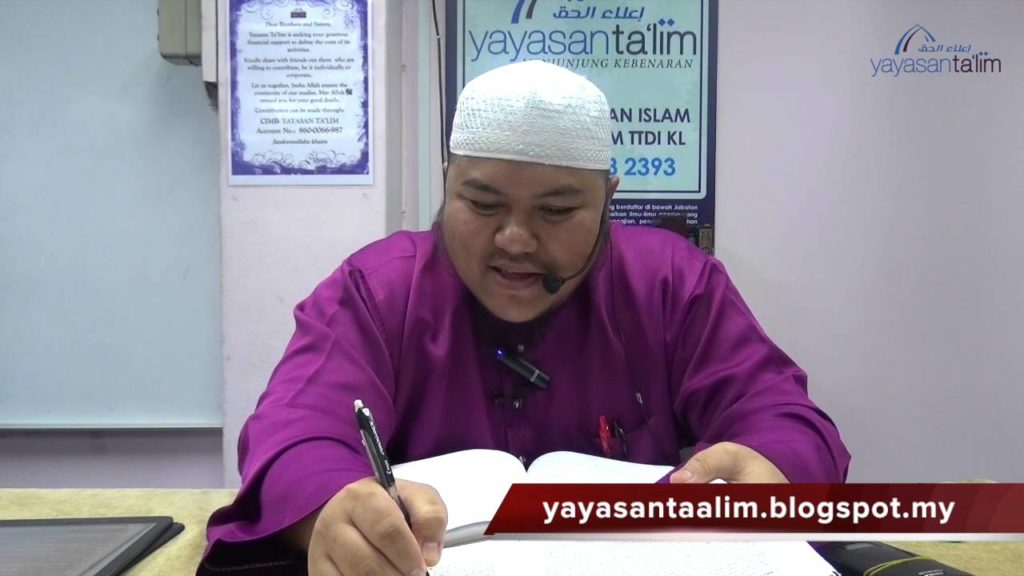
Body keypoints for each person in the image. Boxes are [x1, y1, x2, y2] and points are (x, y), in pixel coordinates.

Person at [199, 60, 850, 576]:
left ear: (608, 199)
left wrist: (772, 467)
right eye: (482, 205)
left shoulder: (673, 284)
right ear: (448, 183)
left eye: (557, 212)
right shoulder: (378, 290)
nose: (514, 240)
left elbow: (783, 417)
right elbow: (294, 434)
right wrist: (334, 508)